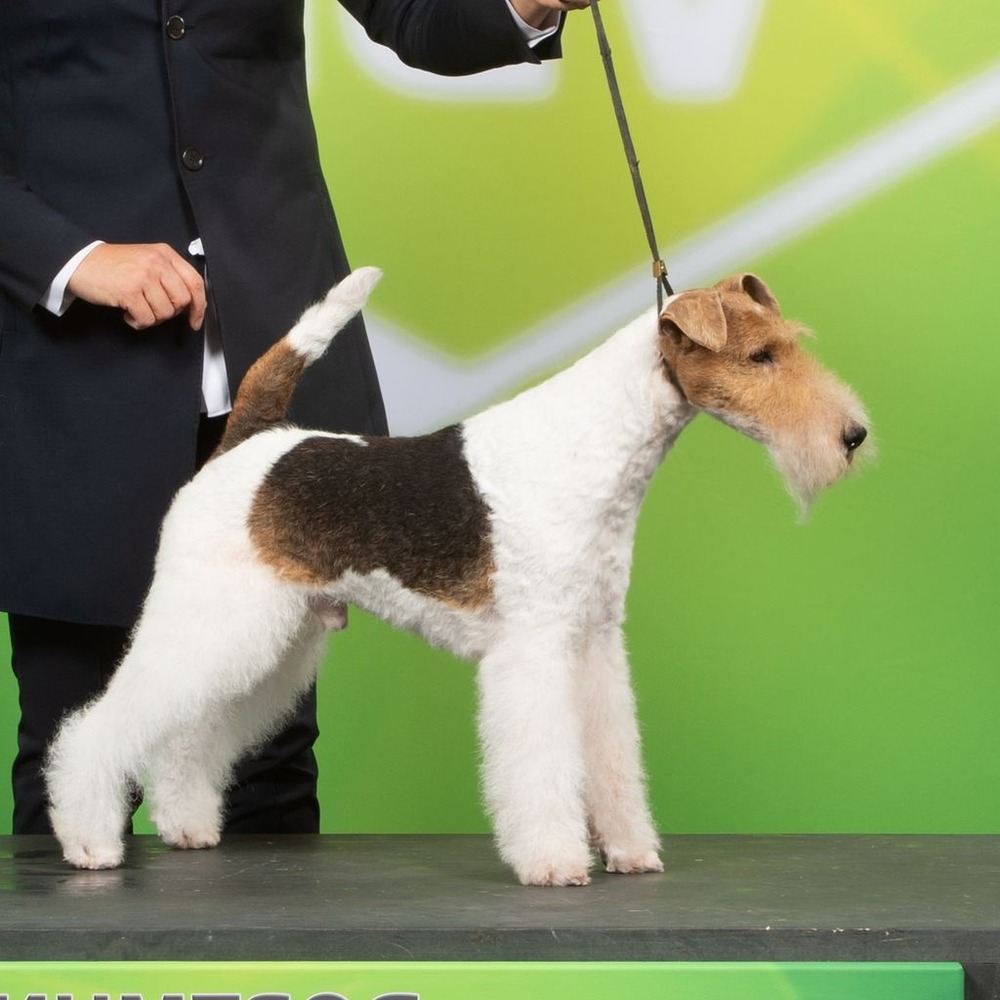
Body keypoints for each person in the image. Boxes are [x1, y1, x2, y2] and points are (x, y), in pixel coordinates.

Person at [0, 0, 589, 836]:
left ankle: (270, 970)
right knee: (77, 734)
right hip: (80, 376)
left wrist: (524, 8)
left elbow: (417, 17)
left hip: (277, 352)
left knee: (266, 754)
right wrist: (74, 259)